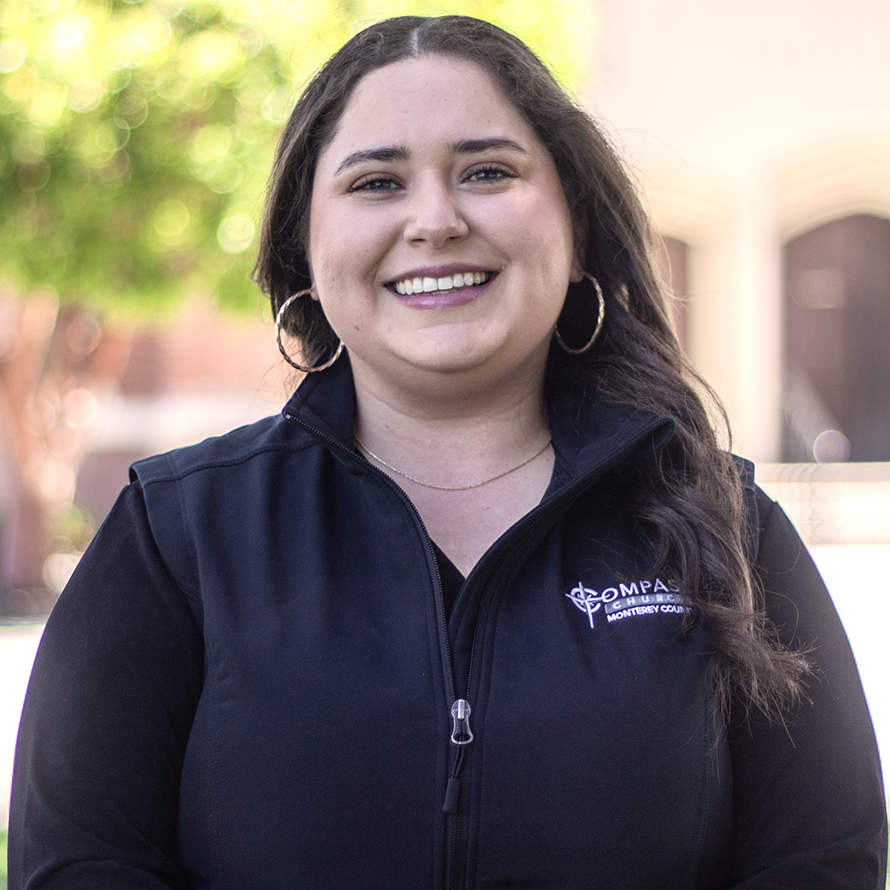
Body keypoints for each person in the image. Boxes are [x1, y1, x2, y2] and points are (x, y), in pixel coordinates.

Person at [8, 15, 887, 889]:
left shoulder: (728, 536)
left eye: (487, 172)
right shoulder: (177, 538)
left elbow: (822, 865)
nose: (434, 220)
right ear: (303, 250)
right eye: (378, 182)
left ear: (575, 225)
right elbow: (79, 866)